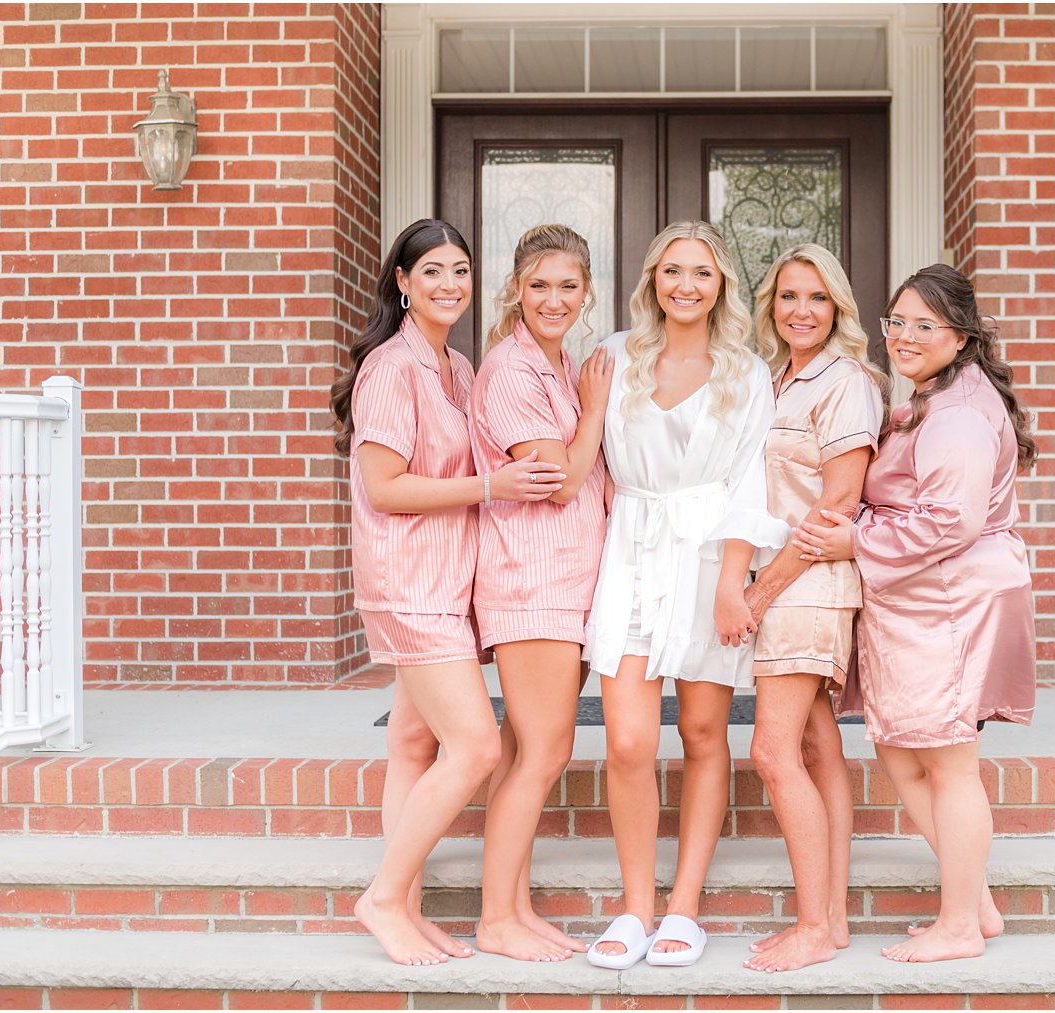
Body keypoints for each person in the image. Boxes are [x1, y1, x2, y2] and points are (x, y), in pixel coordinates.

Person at [330, 218, 566, 966]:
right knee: (475, 745)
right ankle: (381, 898)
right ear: (402, 282)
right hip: (408, 583)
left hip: (449, 579)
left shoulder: (457, 368)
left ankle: (407, 905)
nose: (449, 285)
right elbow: (384, 486)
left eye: (460, 271)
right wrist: (491, 485)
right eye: (431, 271)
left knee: (410, 742)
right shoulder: (392, 368)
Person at [795, 263, 1038, 963]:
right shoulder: (933, 396)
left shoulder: (958, 411)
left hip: (949, 603)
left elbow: (950, 521)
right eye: (895, 320)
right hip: (920, 603)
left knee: (951, 764)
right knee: (901, 752)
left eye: (923, 325)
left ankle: (958, 923)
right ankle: (978, 901)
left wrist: (854, 537)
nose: (903, 335)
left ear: (960, 336)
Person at [583, 221, 789, 969]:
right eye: (673, 271)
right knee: (630, 740)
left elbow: (750, 484)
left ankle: (683, 907)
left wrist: (737, 582)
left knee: (703, 732)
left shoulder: (746, 371)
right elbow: (588, 459)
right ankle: (637, 905)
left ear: (722, 284)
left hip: (708, 558)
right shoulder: (612, 357)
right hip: (632, 550)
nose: (686, 286)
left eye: (701, 273)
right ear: (652, 280)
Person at [740, 245, 887, 972]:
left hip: (809, 585)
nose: (802, 310)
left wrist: (761, 591)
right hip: (781, 580)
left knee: (771, 750)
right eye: (790, 296)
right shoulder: (773, 380)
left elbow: (837, 507)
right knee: (816, 743)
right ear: (773, 304)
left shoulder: (848, 383)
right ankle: (830, 920)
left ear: (838, 309)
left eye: (818, 298)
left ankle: (809, 927)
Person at [471, 224, 613, 962]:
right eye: (539, 285)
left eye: (567, 285)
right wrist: (594, 411)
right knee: (546, 752)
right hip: (532, 584)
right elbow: (558, 483)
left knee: (526, 750)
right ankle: (497, 919)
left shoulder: (557, 365)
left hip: (570, 583)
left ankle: (515, 906)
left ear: (587, 291)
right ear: (516, 291)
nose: (553, 298)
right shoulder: (513, 370)